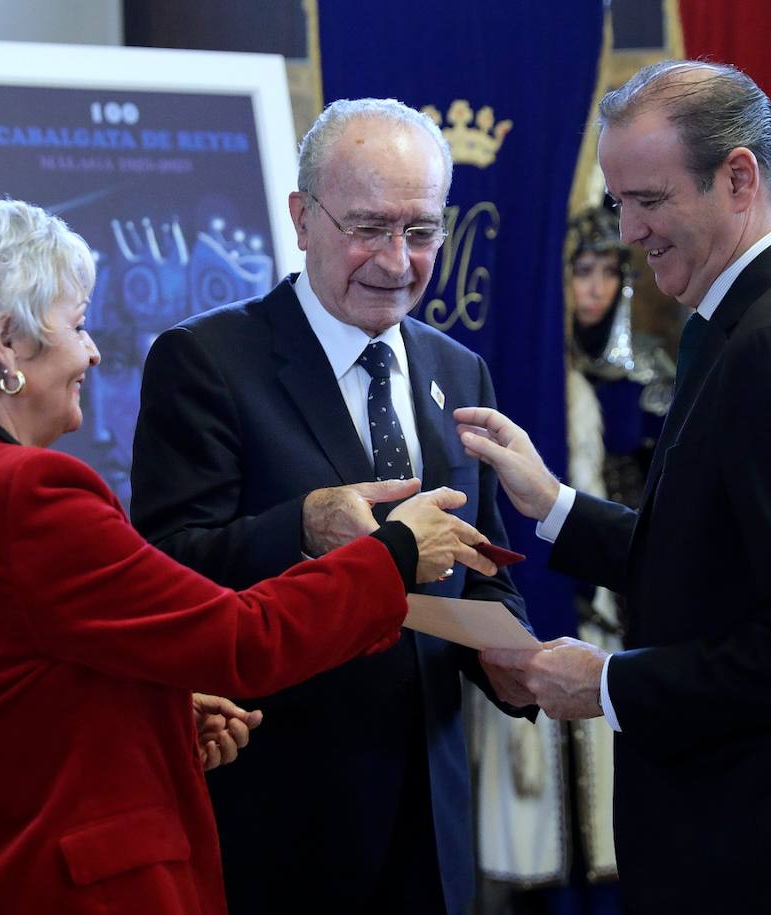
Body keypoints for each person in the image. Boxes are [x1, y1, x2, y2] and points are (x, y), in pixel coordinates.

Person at [0, 195, 497, 915]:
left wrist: (152, 710)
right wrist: (396, 551)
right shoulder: (28, 494)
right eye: (78, 323)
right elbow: (244, 638)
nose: (92, 351)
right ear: (7, 341)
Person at [464, 60, 771, 913]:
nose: (630, 232)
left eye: (650, 199)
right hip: (763, 831)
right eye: (619, 204)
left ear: (738, 177)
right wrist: (553, 502)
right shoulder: (757, 313)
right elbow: (719, 557)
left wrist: (605, 684)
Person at [130, 97, 530, 914]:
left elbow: (481, 560)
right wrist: (304, 525)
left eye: (421, 232)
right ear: (300, 217)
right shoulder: (204, 361)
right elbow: (168, 568)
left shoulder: (461, 371)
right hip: (284, 809)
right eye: (368, 227)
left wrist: (512, 662)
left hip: (433, 805)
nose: (396, 260)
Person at [472, 206, 678, 909]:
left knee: (615, 814)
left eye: (607, 272)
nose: (592, 290)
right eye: (579, 272)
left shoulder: (651, 372)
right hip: (548, 590)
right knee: (548, 821)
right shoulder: (528, 370)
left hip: (618, 610)